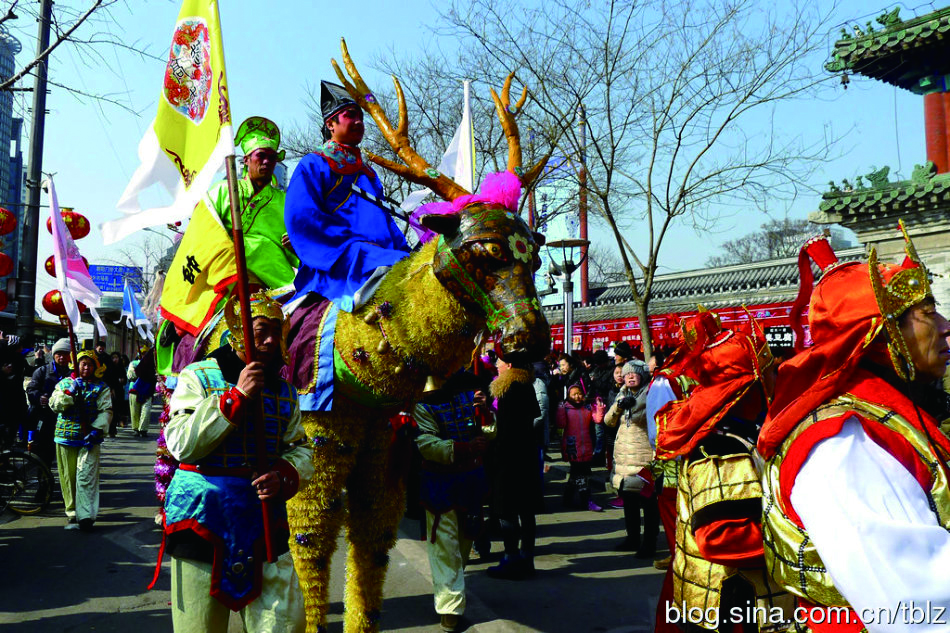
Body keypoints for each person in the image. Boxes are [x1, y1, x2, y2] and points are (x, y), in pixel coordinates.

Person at [758, 229, 950, 631]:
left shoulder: (886, 417)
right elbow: (917, 606)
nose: (946, 326)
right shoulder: (843, 443)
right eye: (928, 313)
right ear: (880, 334)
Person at [161, 292, 313, 633]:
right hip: (203, 520)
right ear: (238, 329)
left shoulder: (285, 392)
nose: (271, 339)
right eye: (262, 330)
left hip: (263, 521)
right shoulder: (197, 377)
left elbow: (300, 449)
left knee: (284, 624)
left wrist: (284, 474)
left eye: (278, 331)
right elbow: (182, 444)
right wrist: (235, 398)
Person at [654, 312, 790, 631]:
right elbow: (723, 538)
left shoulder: (745, 434)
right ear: (749, 386)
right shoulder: (720, 448)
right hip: (732, 608)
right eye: (771, 372)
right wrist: (807, 532)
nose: (777, 379)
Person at [284, 81, 410, 313]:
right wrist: (352, 245)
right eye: (350, 116)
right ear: (330, 123)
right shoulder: (313, 164)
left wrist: (407, 251)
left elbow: (386, 223)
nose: (359, 122)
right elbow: (302, 218)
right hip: (339, 259)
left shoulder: (368, 173)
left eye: (361, 117)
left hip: (378, 253)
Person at [412, 372, 492, 633]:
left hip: (471, 484)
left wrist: (487, 413)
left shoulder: (470, 396)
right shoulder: (423, 405)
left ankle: (450, 595)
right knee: (445, 549)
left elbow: (489, 433)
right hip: (440, 486)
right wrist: (465, 448)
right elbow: (426, 444)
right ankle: (450, 608)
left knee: (465, 542)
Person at [485, 354, 542, 580]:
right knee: (526, 511)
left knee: (507, 509)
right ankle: (526, 558)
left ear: (508, 365)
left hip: (509, 458)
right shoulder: (526, 386)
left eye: (498, 362)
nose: (496, 365)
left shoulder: (509, 389)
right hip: (526, 456)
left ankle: (511, 558)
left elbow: (505, 429)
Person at [49, 350, 112, 531]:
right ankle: (72, 512)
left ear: (95, 367)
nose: (86, 367)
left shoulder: (101, 387)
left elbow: (106, 410)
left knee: (86, 476)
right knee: (68, 478)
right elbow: (55, 405)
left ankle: (85, 515)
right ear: (76, 365)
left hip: (88, 439)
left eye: (90, 364)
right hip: (65, 437)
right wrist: (70, 392)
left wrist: (96, 430)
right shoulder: (65, 383)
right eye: (83, 364)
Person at [604, 360, 658, 557]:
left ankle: (649, 543)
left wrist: (633, 406)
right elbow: (608, 421)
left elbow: (646, 418)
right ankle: (632, 538)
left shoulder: (650, 393)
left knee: (649, 504)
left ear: (643, 376)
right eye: (626, 374)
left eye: (634, 373)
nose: (630, 377)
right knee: (629, 502)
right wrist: (619, 406)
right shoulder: (622, 394)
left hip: (644, 456)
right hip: (624, 457)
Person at [556, 384, 606, 512]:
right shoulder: (565, 408)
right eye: (574, 394)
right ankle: (586, 500)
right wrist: (560, 410)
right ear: (568, 396)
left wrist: (599, 408)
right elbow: (561, 424)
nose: (577, 396)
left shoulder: (588, 408)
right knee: (582, 475)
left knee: (575, 475)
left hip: (586, 446)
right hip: (572, 448)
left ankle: (567, 499)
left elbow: (598, 420)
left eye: (579, 393)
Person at [26, 337, 73, 467]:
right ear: (53, 355)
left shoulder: (74, 374)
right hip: (45, 417)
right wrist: (39, 397)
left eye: (65, 354)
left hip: (67, 419)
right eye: (59, 354)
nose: (62, 357)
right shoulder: (42, 371)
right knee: (44, 452)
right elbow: (31, 389)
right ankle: (44, 481)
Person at [128, 345, 157, 437]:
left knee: (146, 411)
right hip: (135, 389)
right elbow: (130, 376)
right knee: (134, 411)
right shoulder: (134, 364)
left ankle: (143, 429)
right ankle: (135, 428)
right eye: (143, 353)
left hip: (148, 391)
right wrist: (139, 370)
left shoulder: (153, 365)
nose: (144, 355)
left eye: (146, 354)